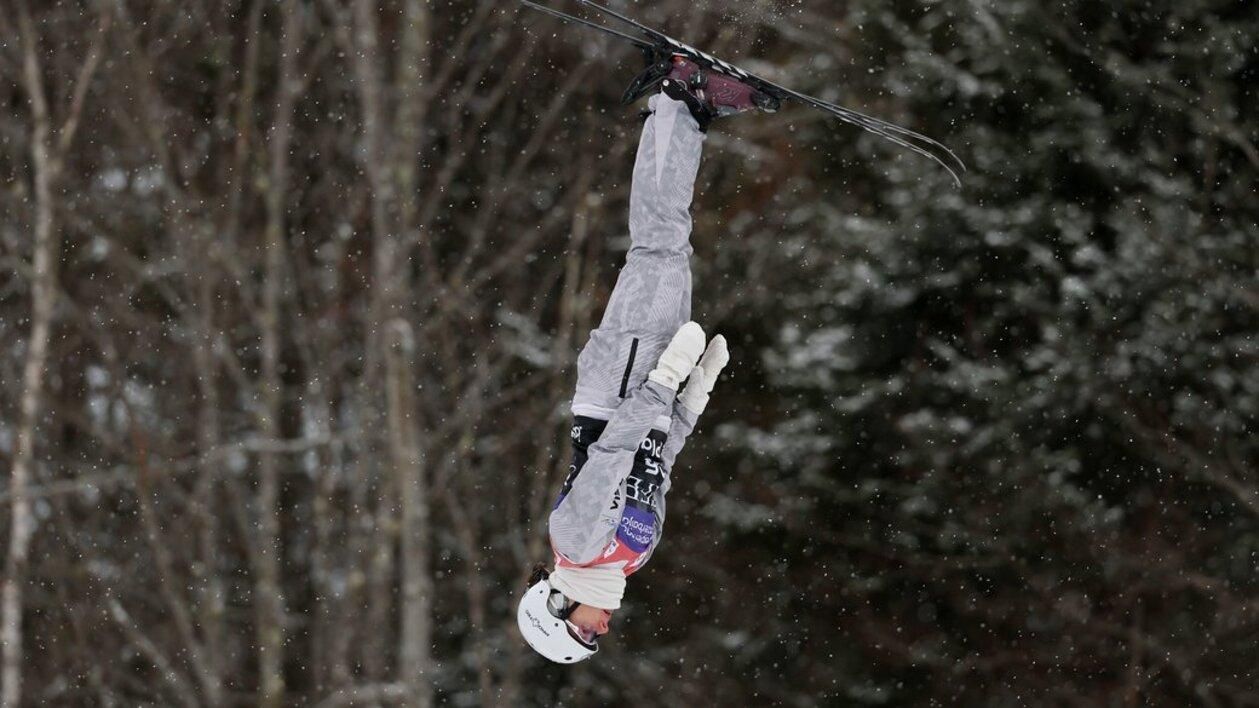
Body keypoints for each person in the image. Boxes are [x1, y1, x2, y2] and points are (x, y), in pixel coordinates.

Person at [516, 56, 775, 664]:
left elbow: (611, 454)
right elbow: (657, 461)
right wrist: (692, 396)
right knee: (670, 246)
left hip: (619, 386)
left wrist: (659, 382)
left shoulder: (576, 544)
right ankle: (687, 109)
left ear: (557, 609)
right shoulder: (633, 555)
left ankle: (677, 100)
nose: (601, 629)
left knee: (660, 244)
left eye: (585, 632)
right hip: (652, 401)